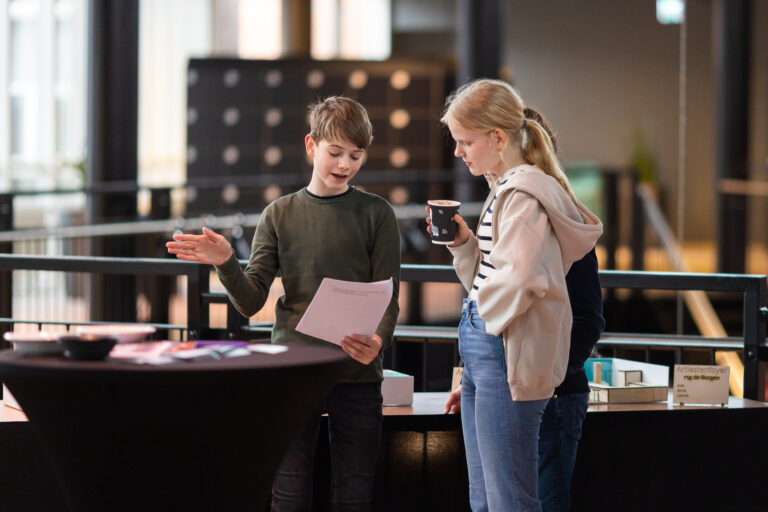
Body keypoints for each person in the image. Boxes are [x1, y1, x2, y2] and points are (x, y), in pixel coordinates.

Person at [166, 96, 400, 511]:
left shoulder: (377, 214)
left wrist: (379, 340)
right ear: (311, 145)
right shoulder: (279, 214)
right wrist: (225, 261)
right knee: (288, 494)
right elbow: (250, 300)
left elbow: (387, 296)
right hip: (294, 371)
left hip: (359, 373)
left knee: (355, 494)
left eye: (355, 156)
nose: (345, 165)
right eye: (335, 152)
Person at [431, 78, 602, 511]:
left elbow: (523, 278)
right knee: (488, 498)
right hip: (487, 351)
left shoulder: (524, 193)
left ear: (499, 137)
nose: (458, 151)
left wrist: (482, 317)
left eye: (465, 141)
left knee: (508, 499)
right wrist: (466, 246)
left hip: (496, 349)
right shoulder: (509, 188)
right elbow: (500, 275)